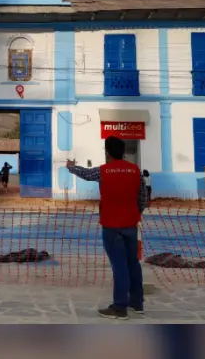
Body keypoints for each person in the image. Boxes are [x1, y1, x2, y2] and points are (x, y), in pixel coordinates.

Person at [67, 136, 149, 320]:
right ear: (123, 151)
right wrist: (134, 212)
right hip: (130, 224)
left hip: (112, 226)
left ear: (107, 152)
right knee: (133, 264)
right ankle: (137, 303)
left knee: (119, 266)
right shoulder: (135, 171)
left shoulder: (104, 171)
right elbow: (143, 198)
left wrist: (71, 166)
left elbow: (86, 174)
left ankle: (119, 307)